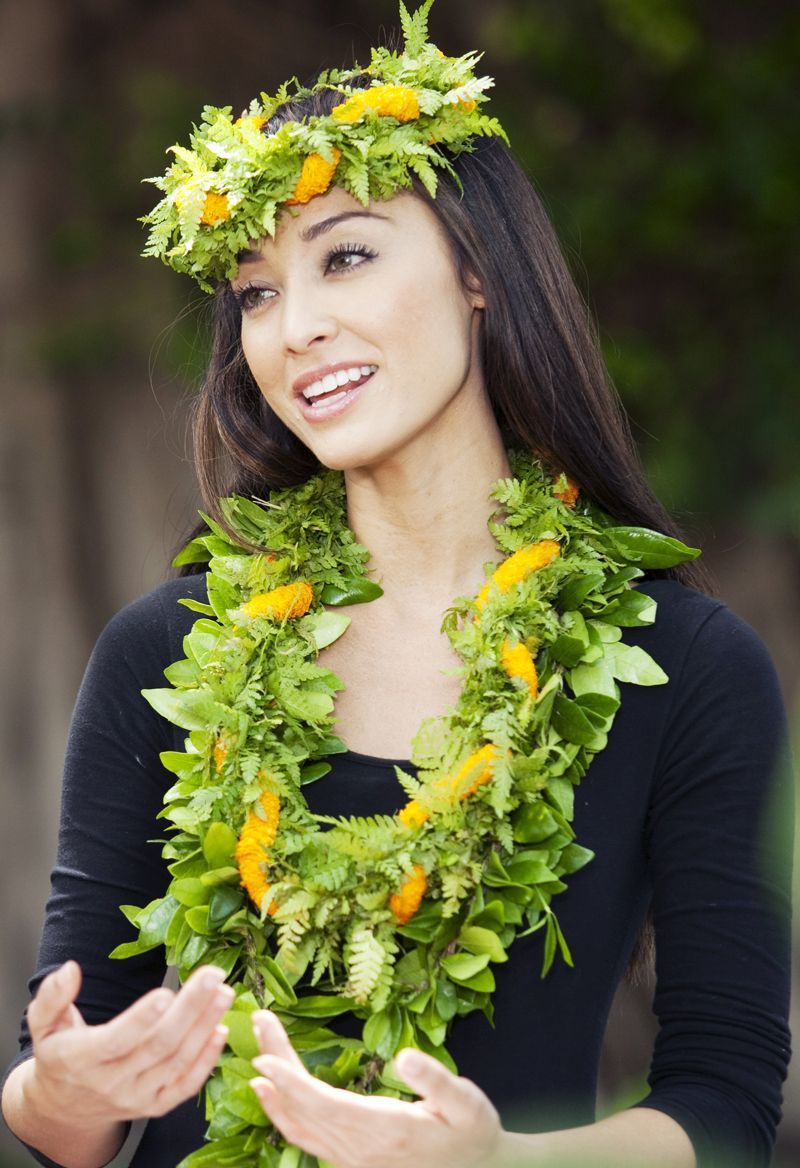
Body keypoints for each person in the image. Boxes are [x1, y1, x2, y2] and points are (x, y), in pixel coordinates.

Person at [1, 4, 792, 1168]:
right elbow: (70, 1121)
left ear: (478, 274)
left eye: (347, 254)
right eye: (257, 291)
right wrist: (57, 1085)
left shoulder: (685, 664)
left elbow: (722, 1105)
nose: (296, 328)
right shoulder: (166, 651)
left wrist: (498, 1163)